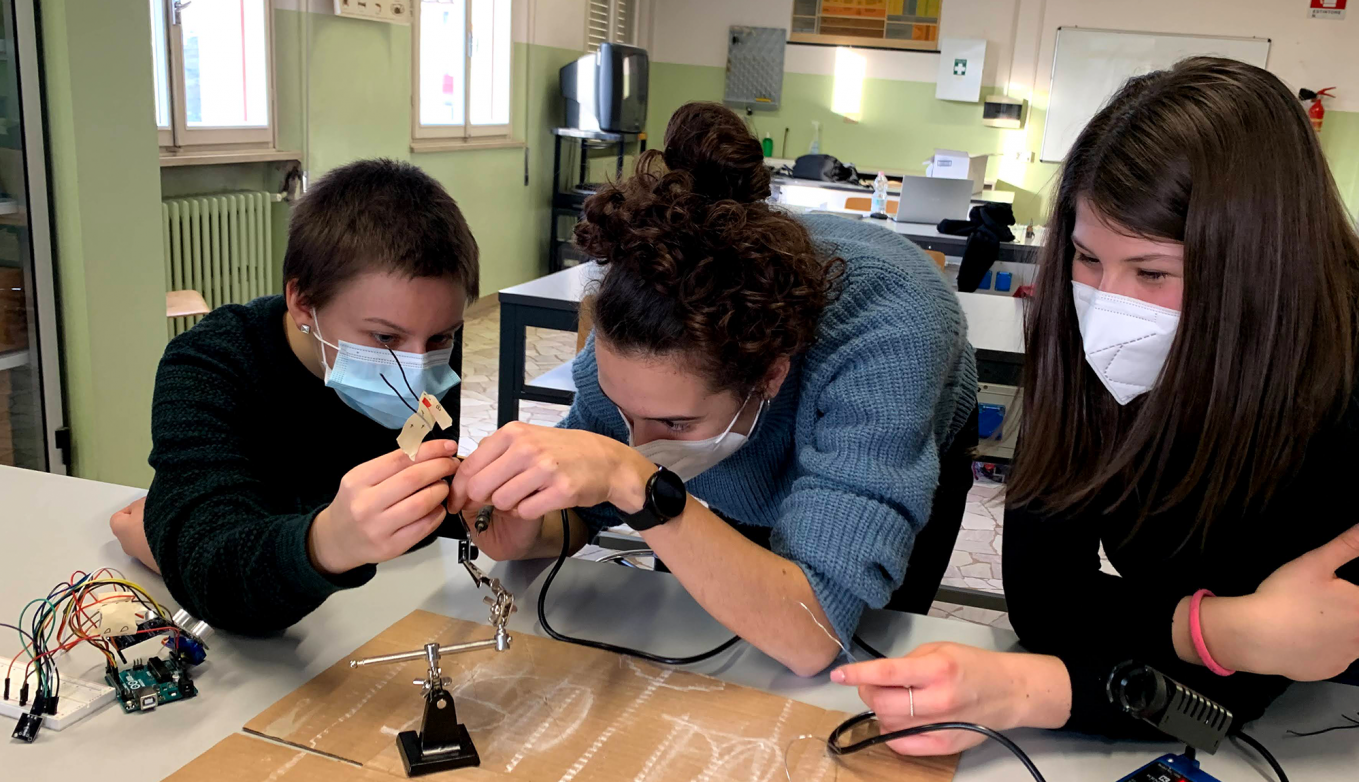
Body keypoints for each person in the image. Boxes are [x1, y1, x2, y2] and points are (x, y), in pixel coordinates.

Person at [831, 57, 1359, 755]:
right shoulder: (1074, 331)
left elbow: (1255, 683)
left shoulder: (1334, 383)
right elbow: (1045, 596)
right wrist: (1216, 631)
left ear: (1255, 267)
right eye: (1084, 258)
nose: (1105, 305)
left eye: (1150, 272)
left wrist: (1027, 687)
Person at [451, 102, 978, 677]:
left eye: (674, 426)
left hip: (902, 433)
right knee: (705, 618)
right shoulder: (644, 323)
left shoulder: (887, 329)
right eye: (626, 412)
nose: (641, 441)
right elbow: (590, 509)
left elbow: (813, 629)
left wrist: (632, 477)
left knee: (856, 666)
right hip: (732, 406)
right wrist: (528, 530)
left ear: (771, 374)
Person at [110, 159, 478, 634]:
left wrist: (478, 502)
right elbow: (213, 575)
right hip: (291, 627)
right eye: (386, 339)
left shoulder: (428, 343)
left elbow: (415, 463)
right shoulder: (209, 365)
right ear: (304, 302)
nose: (417, 366)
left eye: (441, 337)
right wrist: (324, 543)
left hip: (400, 594)